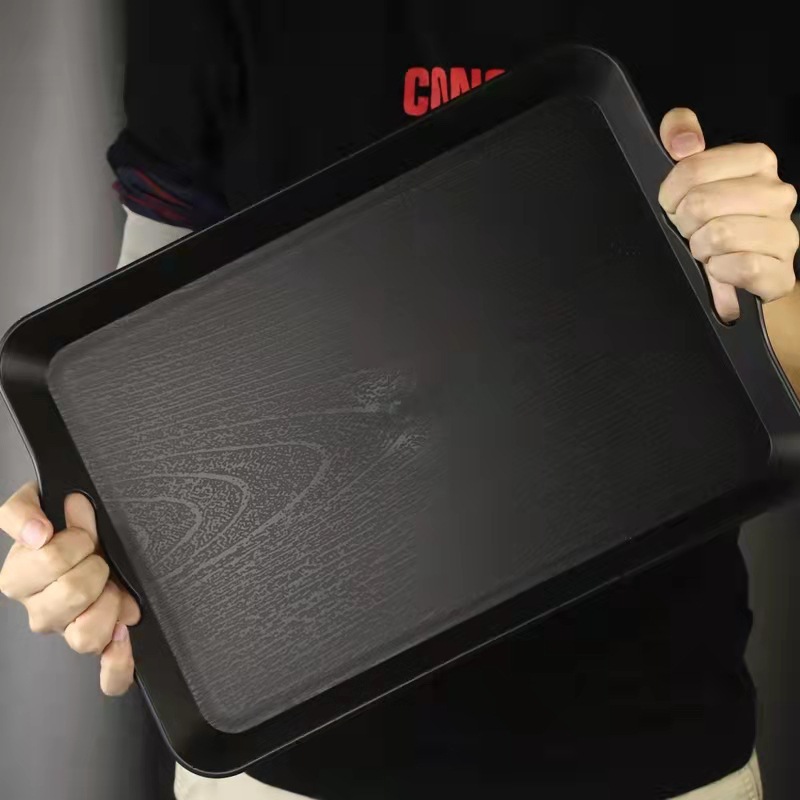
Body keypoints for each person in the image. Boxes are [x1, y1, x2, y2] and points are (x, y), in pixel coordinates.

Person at [1, 3, 800, 798]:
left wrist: (774, 287)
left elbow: (782, 393)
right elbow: (139, 373)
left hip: (653, 743)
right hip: (290, 751)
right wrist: (96, 541)